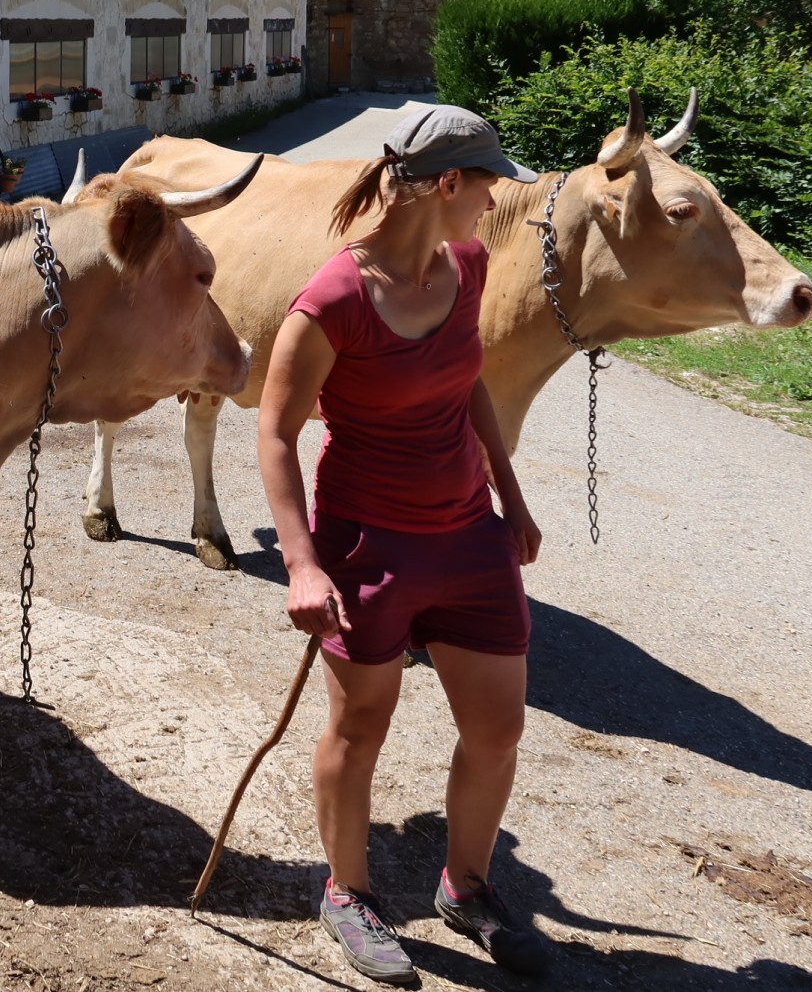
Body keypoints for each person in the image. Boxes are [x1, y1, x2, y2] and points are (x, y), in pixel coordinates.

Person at [254, 105, 553, 987]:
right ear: (448, 184)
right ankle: (348, 893)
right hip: (366, 544)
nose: (496, 197)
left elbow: (471, 389)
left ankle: (467, 887)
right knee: (361, 725)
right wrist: (303, 564)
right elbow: (275, 435)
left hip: (468, 536)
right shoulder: (333, 301)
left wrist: (512, 494)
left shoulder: (467, 264)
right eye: (488, 180)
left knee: (497, 726)